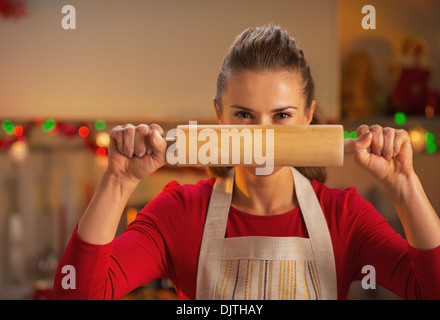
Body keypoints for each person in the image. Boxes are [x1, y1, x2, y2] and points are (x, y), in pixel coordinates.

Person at [53, 25, 440, 300]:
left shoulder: (346, 216)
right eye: (244, 115)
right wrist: (118, 181)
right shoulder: (181, 213)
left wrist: (405, 186)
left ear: (308, 116)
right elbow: (74, 295)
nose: (262, 135)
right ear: (219, 115)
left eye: (282, 116)